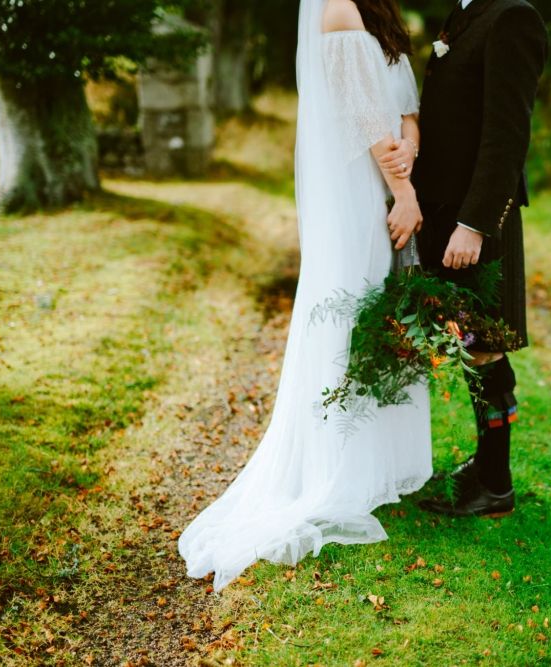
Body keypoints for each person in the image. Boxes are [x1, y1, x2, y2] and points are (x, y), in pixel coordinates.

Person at [178, 0, 432, 591]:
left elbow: (404, 106)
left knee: (381, 320)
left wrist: (411, 148)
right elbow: (365, 117)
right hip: (363, 196)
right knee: (353, 316)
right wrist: (403, 192)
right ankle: (336, 468)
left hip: (394, 177)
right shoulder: (337, 10)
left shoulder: (378, 12)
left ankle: (380, 466)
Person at [386, 0, 548, 517]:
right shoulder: (464, 14)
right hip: (446, 212)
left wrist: (476, 224)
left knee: (485, 348)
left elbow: (507, 133)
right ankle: (485, 469)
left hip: (475, 221)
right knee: (470, 342)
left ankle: (495, 485)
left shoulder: (511, 16)